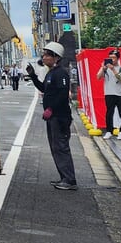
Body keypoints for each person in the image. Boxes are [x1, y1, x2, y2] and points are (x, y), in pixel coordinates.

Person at [28, 41, 76, 190]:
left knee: (61, 147)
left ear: (56, 57)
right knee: (56, 147)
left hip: (60, 117)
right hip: (53, 117)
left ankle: (69, 180)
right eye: (44, 54)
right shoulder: (51, 73)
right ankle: (64, 177)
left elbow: (62, 94)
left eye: (47, 55)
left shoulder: (61, 73)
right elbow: (44, 88)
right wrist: (33, 76)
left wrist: (51, 109)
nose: (44, 57)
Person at [96, 48, 121, 139]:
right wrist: (103, 68)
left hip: (120, 94)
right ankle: (109, 131)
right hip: (109, 93)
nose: (112, 59)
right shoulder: (105, 68)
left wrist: (113, 70)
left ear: (118, 59)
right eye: (110, 57)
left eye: (114, 58)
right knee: (109, 112)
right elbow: (98, 77)